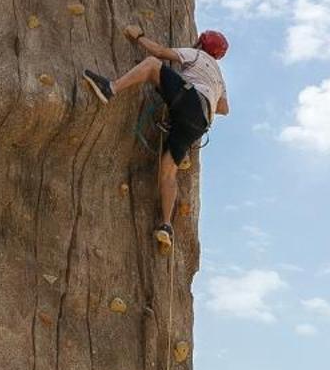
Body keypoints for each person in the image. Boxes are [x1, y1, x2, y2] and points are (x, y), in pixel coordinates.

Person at [81, 26, 230, 250]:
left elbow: (160, 52)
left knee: (152, 65)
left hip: (189, 102)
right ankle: (166, 225)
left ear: (201, 44)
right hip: (199, 124)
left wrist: (138, 36)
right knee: (169, 171)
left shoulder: (197, 55)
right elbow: (224, 108)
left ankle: (111, 88)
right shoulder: (219, 77)